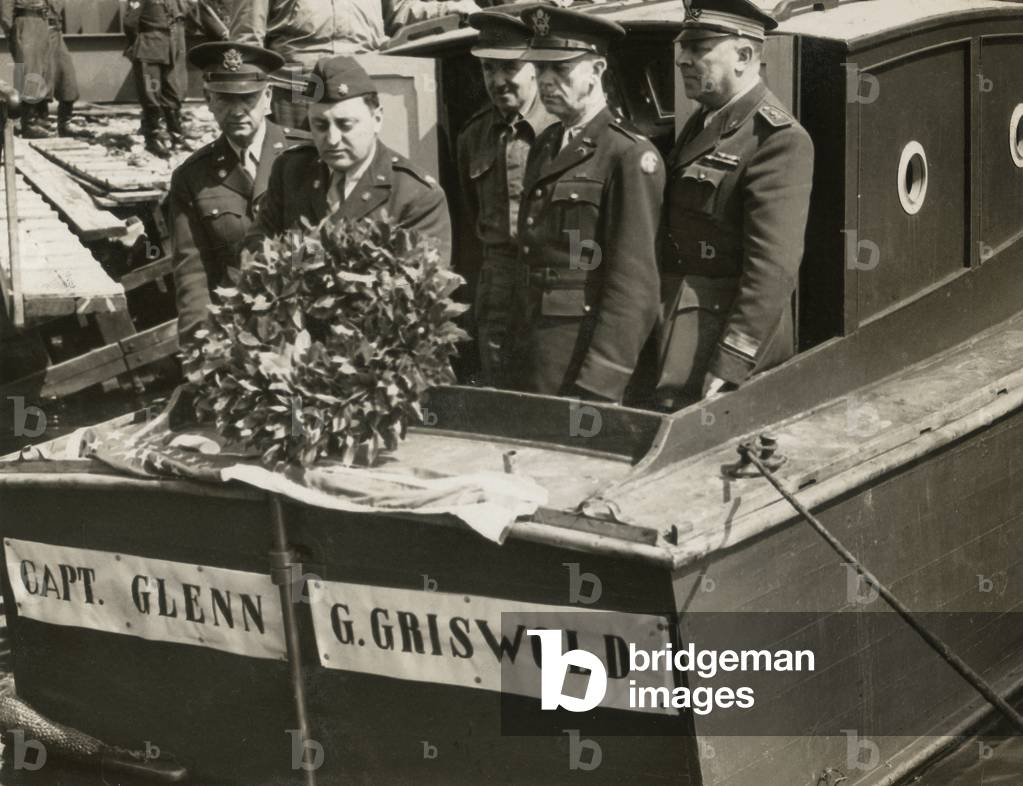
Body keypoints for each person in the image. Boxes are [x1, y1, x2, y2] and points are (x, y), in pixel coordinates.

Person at [655, 0, 814, 409]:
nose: (683, 60)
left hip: (719, 346)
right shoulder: (705, 120)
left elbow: (772, 267)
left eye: (699, 48)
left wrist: (732, 359)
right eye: (683, 48)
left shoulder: (777, 139)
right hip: (680, 330)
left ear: (743, 56)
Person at [504, 5, 664, 404]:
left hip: (581, 358)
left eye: (561, 69)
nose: (546, 81)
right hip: (533, 348)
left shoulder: (627, 154)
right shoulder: (546, 143)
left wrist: (602, 380)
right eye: (541, 69)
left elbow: (634, 284)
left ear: (597, 70)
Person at [244, 54, 451, 263]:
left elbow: (423, 278)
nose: (332, 139)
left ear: (377, 119)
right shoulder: (291, 170)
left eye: (345, 125)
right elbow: (257, 246)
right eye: (320, 125)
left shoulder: (415, 196)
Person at [456, 10, 554, 386]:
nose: (498, 81)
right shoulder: (473, 136)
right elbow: (470, 215)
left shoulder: (562, 129)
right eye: (488, 69)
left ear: (534, 67)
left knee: (551, 388)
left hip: (553, 279)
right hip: (497, 284)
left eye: (509, 67)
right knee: (499, 387)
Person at [169, 42, 290, 343]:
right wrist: (199, 344)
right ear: (208, 100)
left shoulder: (303, 159)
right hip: (234, 332)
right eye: (224, 98)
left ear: (268, 97)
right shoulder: (192, 177)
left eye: (247, 98)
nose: (237, 111)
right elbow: (192, 273)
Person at [228, 0, 481, 130]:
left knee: (363, 185)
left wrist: (450, 10)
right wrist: (247, 104)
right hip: (299, 89)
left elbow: (399, 11)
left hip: (364, 83)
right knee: (298, 177)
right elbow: (246, 41)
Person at [123, 0, 227, 158]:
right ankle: (153, 137)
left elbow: (196, 11)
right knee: (151, 95)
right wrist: (137, 44)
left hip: (175, 47)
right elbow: (130, 23)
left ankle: (176, 134)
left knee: (174, 92)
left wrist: (221, 33)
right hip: (150, 48)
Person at [1, 0, 51, 138]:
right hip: (26, 22)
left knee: (41, 70)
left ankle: (39, 118)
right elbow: (5, 9)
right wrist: (12, 31)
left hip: (41, 21)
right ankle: (29, 124)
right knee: (30, 71)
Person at [40, 0, 78, 137]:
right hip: (37, 33)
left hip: (56, 32)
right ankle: (40, 124)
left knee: (68, 79)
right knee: (40, 79)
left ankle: (64, 124)